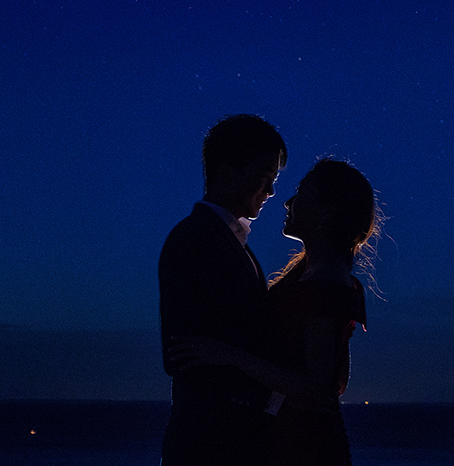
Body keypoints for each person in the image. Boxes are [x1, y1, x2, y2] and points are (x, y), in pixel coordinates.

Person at [170, 158, 379, 466]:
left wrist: (228, 355)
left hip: (302, 443)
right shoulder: (321, 275)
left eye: (302, 194)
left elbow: (319, 387)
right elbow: (337, 381)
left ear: (326, 212)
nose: (288, 202)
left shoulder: (323, 282)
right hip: (296, 433)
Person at [159, 114, 288, 466]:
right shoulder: (195, 239)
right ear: (228, 173)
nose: (271, 191)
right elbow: (184, 351)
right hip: (211, 441)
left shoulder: (230, 243)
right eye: (265, 177)